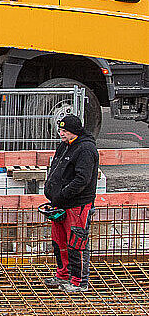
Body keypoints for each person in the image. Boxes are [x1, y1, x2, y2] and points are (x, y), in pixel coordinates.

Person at [44, 112, 100, 293]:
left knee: (76, 243)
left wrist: (62, 195)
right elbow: (56, 170)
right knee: (59, 241)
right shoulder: (65, 146)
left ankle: (79, 281)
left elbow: (82, 180)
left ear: (75, 131)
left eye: (65, 131)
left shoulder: (85, 150)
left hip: (77, 204)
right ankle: (63, 275)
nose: (61, 133)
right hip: (60, 203)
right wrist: (53, 193)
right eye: (60, 130)